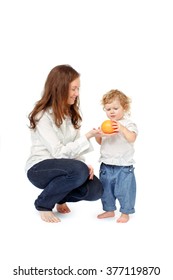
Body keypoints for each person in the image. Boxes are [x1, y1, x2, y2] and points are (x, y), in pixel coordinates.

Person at [25, 64, 103, 223]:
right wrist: (87, 136)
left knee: (96, 190)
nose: (77, 93)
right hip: (39, 169)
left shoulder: (71, 115)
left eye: (78, 89)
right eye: (73, 89)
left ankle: (59, 196)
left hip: (64, 168)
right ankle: (43, 204)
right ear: (60, 88)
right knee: (78, 170)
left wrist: (83, 165)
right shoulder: (42, 115)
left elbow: (74, 151)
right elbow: (58, 153)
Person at [95, 89, 138, 223]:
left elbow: (132, 138)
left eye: (115, 108)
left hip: (124, 166)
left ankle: (125, 212)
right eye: (108, 109)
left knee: (125, 190)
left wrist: (122, 129)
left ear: (124, 108)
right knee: (106, 190)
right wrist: (98, 135)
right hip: (106, 165)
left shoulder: (128, 124)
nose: (111, 111)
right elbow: (101, 142)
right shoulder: (105, 125)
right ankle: (109, 210)